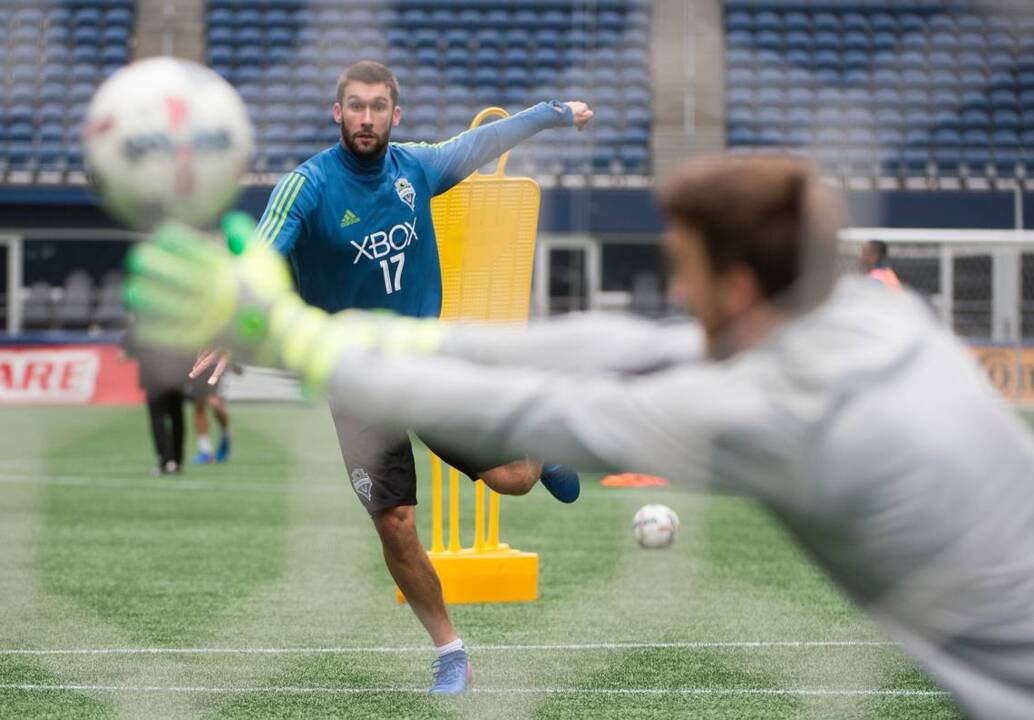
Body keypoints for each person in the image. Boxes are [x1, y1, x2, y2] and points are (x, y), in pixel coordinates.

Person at [127, 153, 1034, 717]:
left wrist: (292, 340)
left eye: (683, 271)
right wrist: (341, 333)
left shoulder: (774, 420)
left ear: (739, 287)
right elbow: (615, 346)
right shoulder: (880, 318)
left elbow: (537, 409)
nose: (674, 292)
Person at [194, 60, 592, 692]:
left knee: (513, 480)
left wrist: (554, 113)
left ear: (394, 115)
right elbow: (261, 253)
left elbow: (485, 141)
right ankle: (450, 653)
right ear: (337, 112)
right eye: (355, 105)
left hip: (423, 365)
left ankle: (539, 450)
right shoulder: (307, 187)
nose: (366, 118)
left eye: (378, 106)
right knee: (395, 521)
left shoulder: (418, 168)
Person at [122, 322, 192, 476]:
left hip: (153, 376)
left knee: (158, 417)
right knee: (177, 416)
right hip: (177, 375)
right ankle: (177, 460)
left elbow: (125, 353)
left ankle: (165, 461)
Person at [187, 367, 232, 464]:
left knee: (216, 404)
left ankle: (226, 433)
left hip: (216, 365)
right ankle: (205, 450)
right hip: (197, 364)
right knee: (199, 405)